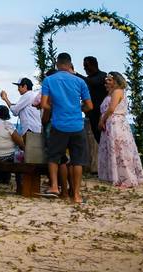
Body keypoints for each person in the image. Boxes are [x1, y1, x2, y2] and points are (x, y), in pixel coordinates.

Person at [40, 53, 93, 203]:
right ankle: (76, 195)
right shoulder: (79, 81)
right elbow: (89, 106)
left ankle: (55, 187)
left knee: (55, 157)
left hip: (59, 125)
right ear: (70, 65)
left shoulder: (49, 80)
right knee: (77, 161)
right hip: (77, 125)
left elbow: (44, 105)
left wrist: (56, 108)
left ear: (57, 65)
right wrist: (78, 108)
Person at [97, 72, 143, 188]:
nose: (106, 82)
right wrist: (102, 120)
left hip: (116, 124)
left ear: (116, 81)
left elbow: (111, 109)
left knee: (120, 150)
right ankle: (115, 176)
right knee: (113, 149)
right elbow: (105, 110)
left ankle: (126, 178)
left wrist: (102, 121)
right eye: (106, 80)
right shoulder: (109, 94)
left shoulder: (118, 91)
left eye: (109, 80)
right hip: (109, 124)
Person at [0, 106, 24, 185]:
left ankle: (3, 178)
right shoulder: (7, 124)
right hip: (7, 157)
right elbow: (20, 142)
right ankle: (20, 184)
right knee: (20, 157)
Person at [83, 56, 108, 144]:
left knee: (106, 140)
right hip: (92, 114)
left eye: (86, 65)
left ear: (94, 65)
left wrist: (74, 74)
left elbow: (93, 82)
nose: (84, 68)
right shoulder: (87, 80)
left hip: (102, 114)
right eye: (84, 66)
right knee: (99, 140)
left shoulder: (103, 75)